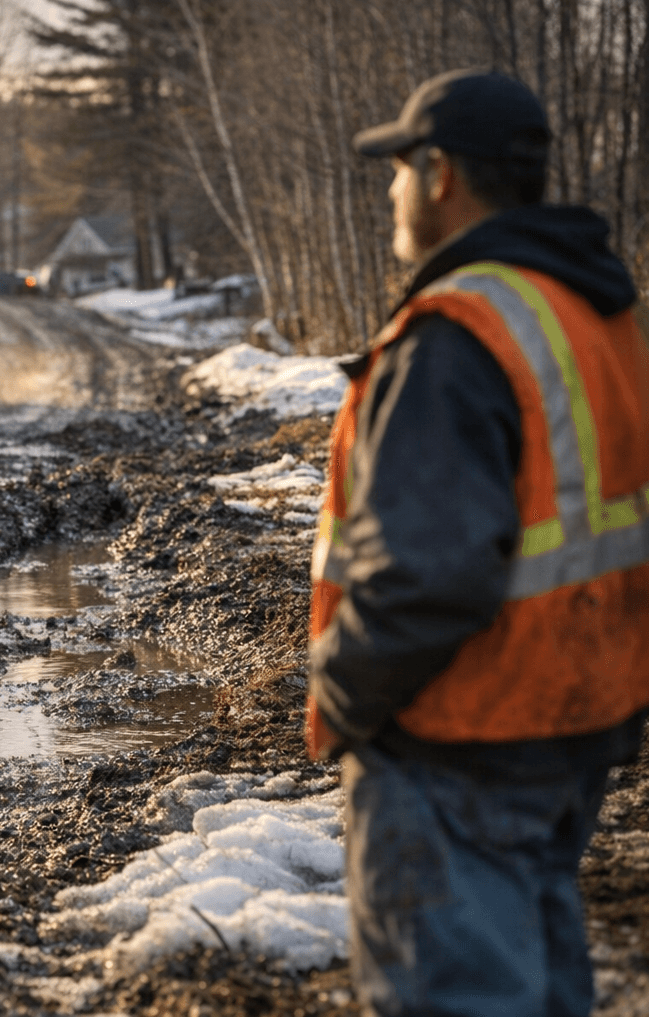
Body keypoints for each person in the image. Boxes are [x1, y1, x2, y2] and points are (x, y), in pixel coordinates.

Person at [305, 68, 649, 1015]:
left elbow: (426, 574)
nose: (390, 192)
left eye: (401, 169)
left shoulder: (455, 336)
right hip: (570, 723)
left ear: (442, 174)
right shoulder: (590, 310)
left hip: (457, 735)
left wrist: (342, 694)